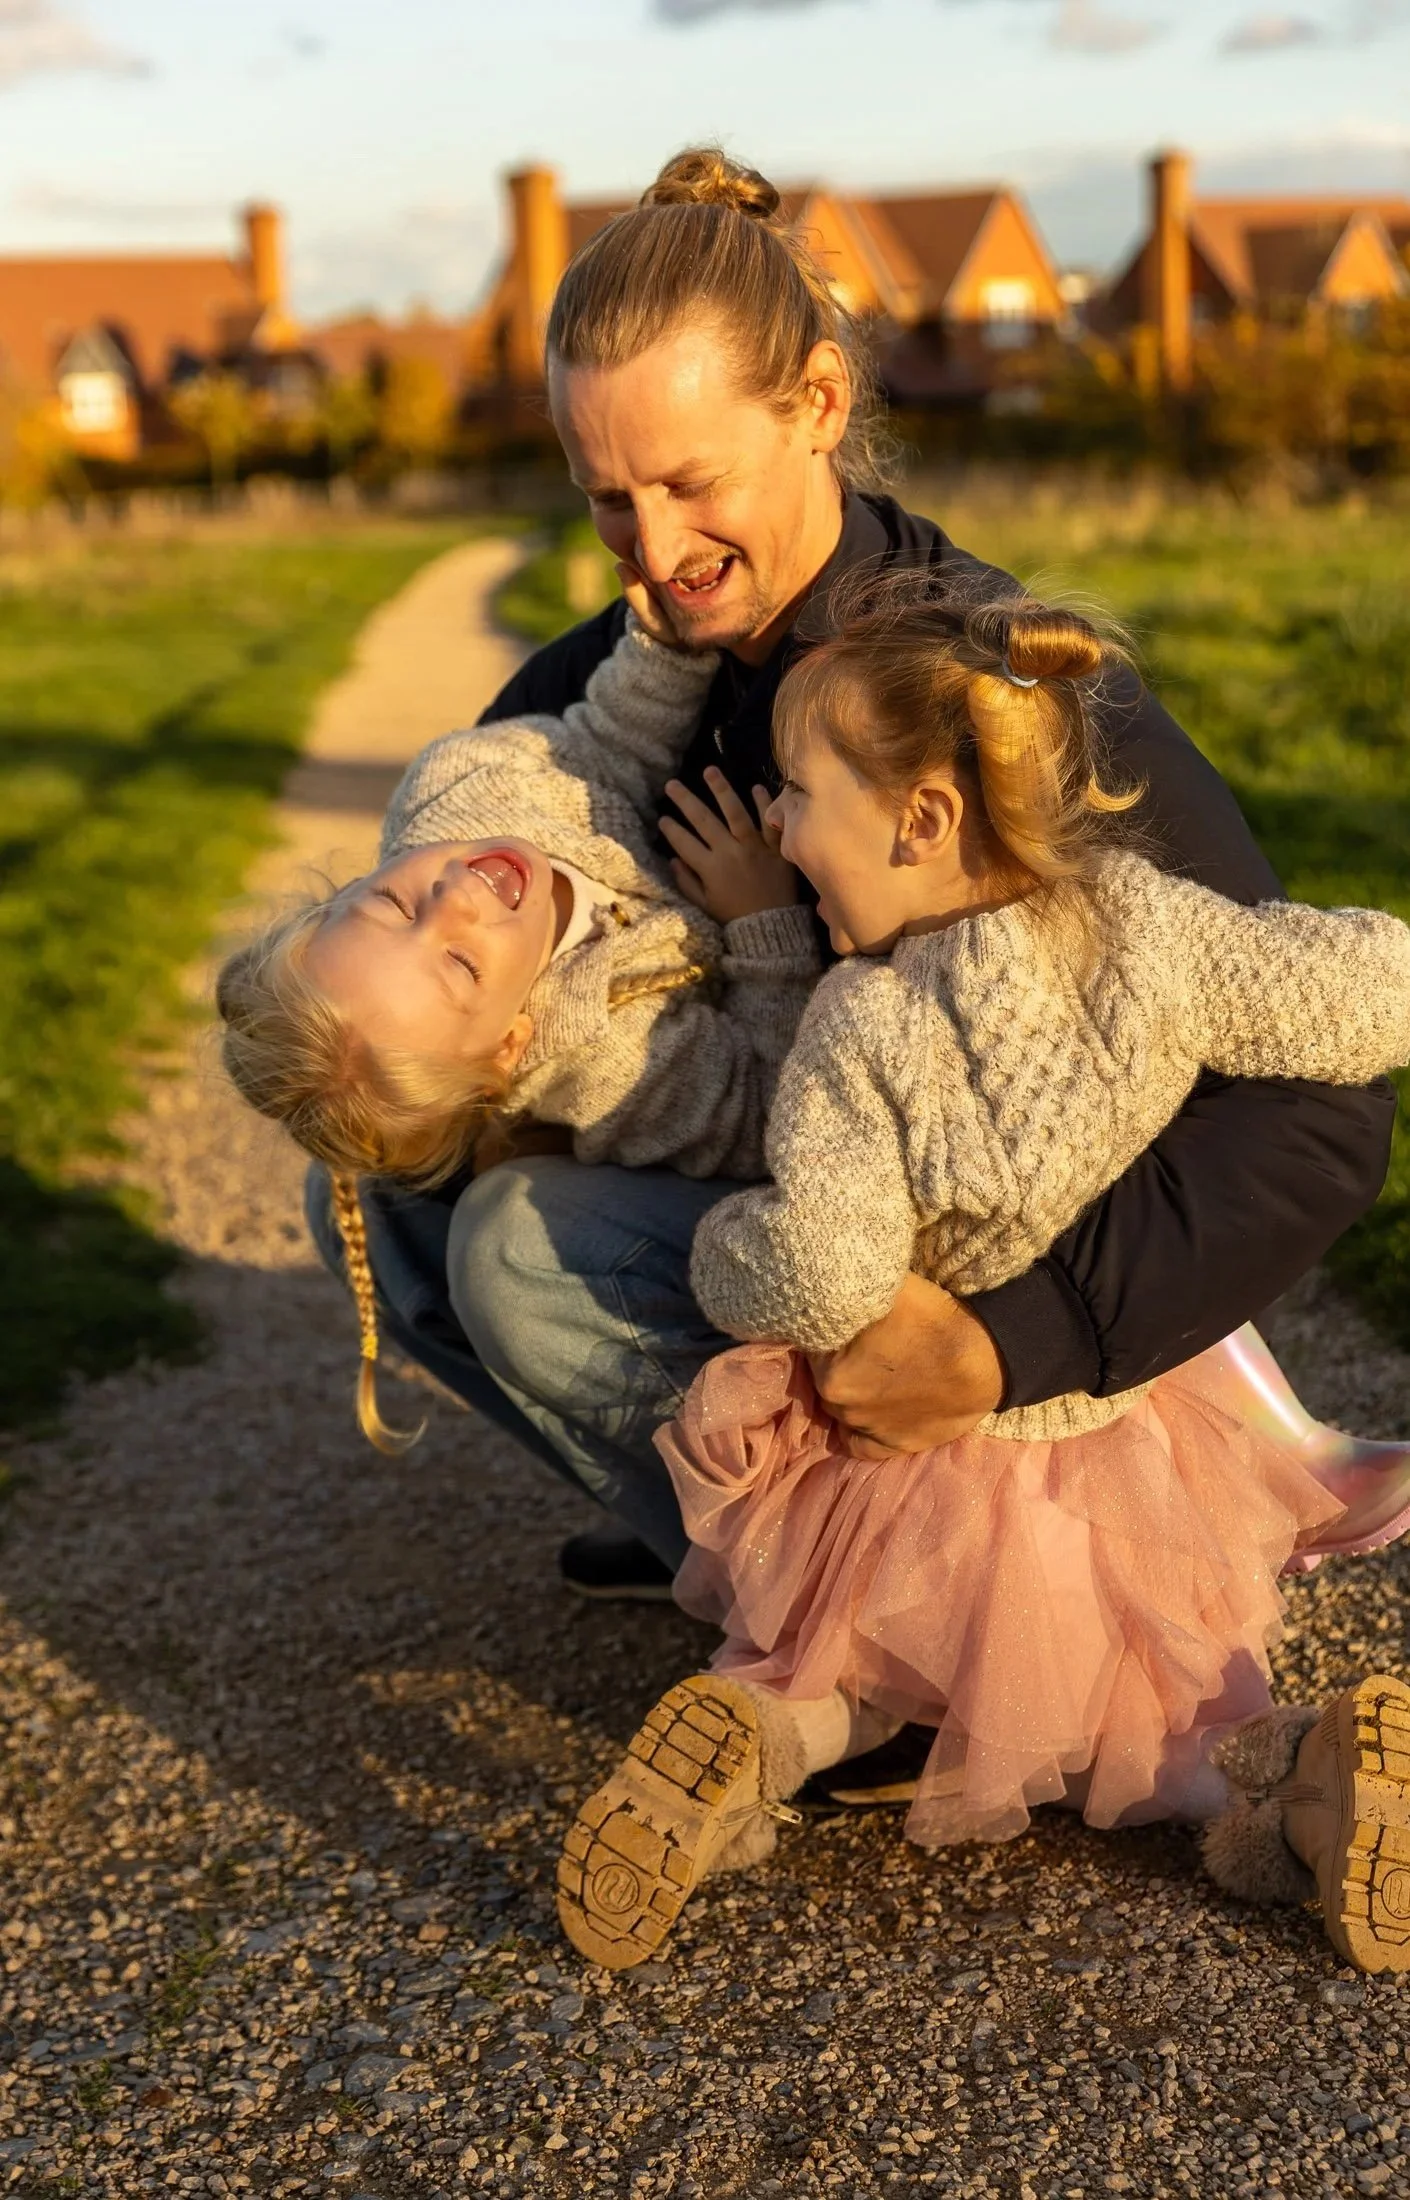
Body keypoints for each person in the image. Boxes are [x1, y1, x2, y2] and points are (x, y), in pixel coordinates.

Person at [305, 146, 1391, 1718]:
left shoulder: (980, 689)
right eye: (606, 497)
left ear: (816, 402)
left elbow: (1318, 1118)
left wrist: (1014, 1338)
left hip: (986, 1248)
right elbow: (451, 891)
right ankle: (740, 1541)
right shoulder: (597, 680)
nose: (653, 548)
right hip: (801, 1178)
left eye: (692, 483)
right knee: (387, 1166)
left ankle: (920, 1657)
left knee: (516, 1253)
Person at [555, 580, 1410, 1976]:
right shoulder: (1142, 923)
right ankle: (1302, 1775)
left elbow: (826, 1269)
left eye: (796, 796)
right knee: (1165, 1712)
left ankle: (753, 1746)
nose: (779, 828)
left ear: (921, 820)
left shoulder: (861, 1024)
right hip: (1127, 1424)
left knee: (834, 1668)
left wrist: (726, 1256)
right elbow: (1352, 992)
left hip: (928, 1465)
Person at [219, 594, 817, 1463]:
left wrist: (668, 644)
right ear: (510, 1043)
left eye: (391, 901)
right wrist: (764, 924)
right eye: (459, 966)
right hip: (789, 1214)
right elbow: (770, 1104)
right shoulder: (611, 1057)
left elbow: (605, 743)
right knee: (396, 1215)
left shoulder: (458, 789)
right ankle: (715, 1505)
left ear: (346, 886)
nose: (455, 898)